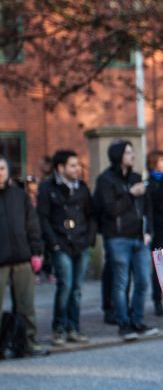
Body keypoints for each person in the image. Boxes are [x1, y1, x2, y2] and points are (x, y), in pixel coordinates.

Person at [95, 140, 158, 341]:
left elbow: (147, 206)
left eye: (132, 151)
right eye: (128, 152)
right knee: (121, 283)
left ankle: (137, 321)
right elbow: (110, 209)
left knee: (143, 281)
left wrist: (148, 230)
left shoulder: (136, 177)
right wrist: (130, 194)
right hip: (118, 238)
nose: (132, 155)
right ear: (118, 155)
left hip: (139, 237)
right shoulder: (106, 180)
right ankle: (124, 324)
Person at [36, 149, 97, 345]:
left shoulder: (82, 188)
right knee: (65, 286)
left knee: (77, 289)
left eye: (78, 165)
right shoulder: (47, 188)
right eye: (72, 165)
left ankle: (73, 328)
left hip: (81, 244)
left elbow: (91, 215)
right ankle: (58, 329)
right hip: (60, 244)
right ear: (60, 167)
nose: (77, 169)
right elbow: (43, 218)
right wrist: (53, 243)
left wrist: (89, 239)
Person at [0, 156, 46, 356]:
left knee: (26, 305)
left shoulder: (20, 196)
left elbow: (32, 225)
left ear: (8, 170)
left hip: (22, 258)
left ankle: (28, 342)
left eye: (2, 167)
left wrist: (36, 251)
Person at [146, 150, 163, 315]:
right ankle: (157, 299)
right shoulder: (150, 184)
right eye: (162, 161)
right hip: (157, 231)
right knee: (159, 269)